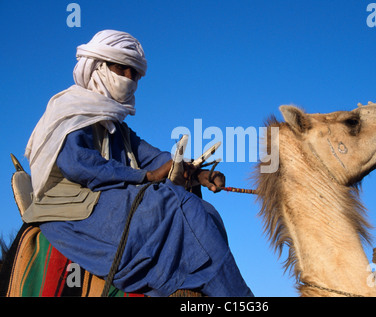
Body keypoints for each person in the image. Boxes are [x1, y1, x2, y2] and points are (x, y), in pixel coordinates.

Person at [23, 30, 253, 297]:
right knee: (178, 206)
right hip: (72, 209)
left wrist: (197, 173)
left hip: (105, 198)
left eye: (135, 74)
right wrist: (147, 177)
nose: (129, 80)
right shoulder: (71, 111)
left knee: (206, 211)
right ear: (99, 67)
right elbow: (77, 163)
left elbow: (153, 157)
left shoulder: (116, 125)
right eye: (122, 69)